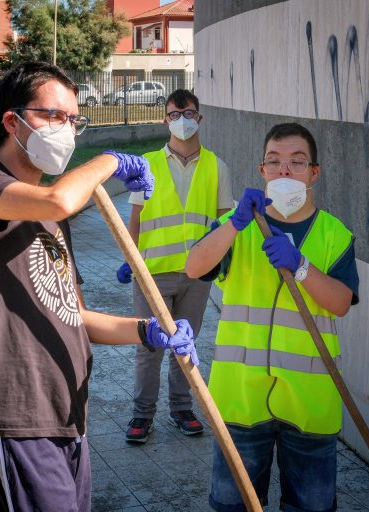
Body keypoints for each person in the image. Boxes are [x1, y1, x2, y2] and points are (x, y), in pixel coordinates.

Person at [0, 61, 199, 512]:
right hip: (16, 413)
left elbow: (75, 316)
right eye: (54, 116)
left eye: (73, 120)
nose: (66, 129)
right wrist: (109, 161)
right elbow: (61, 194)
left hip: (67, 412)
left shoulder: (53, 218)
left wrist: (148, 330)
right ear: (12, 120)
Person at [186, 123, 360, 511]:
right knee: (234, 505)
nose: (284, 171)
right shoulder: (240, 225)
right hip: (241, 400)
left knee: (311, 507)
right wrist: (232, 224)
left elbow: (341, 302)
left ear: (314, 173)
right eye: (274, 162)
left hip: (309, 405)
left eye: (297, 163)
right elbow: (195, 267)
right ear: (262, 171)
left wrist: (301, 266)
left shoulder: (335, 234)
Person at [116, 89, 233, 443]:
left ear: (199, 117)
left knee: (186, 344)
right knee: (149, 348)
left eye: (188, 113)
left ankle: (182, 409)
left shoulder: (217, 166)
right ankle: (142, 415)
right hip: (152, 274)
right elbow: (134, 218)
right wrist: (130, 259)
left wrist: (224, 263)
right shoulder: (148, 163)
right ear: (165, 119)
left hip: (197, 276)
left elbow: (224, 221)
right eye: (174, 114)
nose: (182, 119)